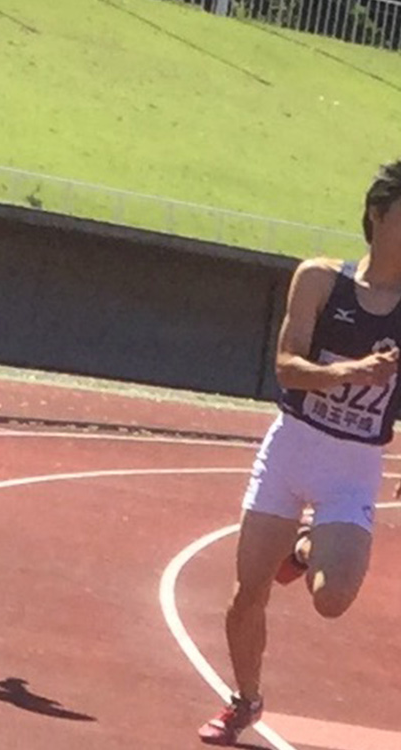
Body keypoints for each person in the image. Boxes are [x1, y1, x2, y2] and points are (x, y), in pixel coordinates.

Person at [198, 159, 401, 744]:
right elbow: (286, 368)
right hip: (291, 449)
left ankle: (309, 546)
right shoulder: (320, 280)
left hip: (354, 466)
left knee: (333, 600)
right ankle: (245, 700)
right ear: (376, 215)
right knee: (247, 595)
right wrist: (349, 373)